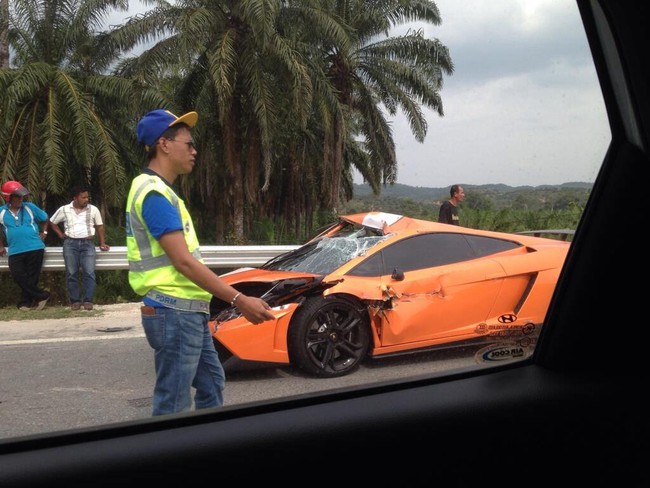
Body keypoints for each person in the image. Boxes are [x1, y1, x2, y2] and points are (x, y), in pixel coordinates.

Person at [127, 108, 275, 416]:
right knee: (174, 402)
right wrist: (239, 299)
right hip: (174, 309)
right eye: (188, 143)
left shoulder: (162, 192)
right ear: (164, 144)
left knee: (211, 384)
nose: (194, 151)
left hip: (187, 309)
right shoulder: (154, 194)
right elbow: (183, 262)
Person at [49, 185, 110, 311]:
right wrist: (61, 234)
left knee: (89, 273)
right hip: (70, 243)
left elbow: (99, 226)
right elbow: (52, 221)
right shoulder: (65, 209)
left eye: (87, 197)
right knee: (72, 273)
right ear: (75, 198)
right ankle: (75, 301)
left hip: (88, 243)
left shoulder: (93, 209)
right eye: (83, 197)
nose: (86, 199)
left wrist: (102, 242)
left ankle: (88, 300)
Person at [0, 180, 51, 311]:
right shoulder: (1, 212)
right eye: (17, 196)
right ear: (8, 197)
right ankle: (42, 295)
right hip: (15, 249)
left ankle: (25, 303)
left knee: (32, 277)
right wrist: (1, 246)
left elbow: (45, 218)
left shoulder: (30, 207)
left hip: (35, 247)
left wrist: (44, 232)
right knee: (18, 275)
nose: (20, 199)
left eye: (22, 196)